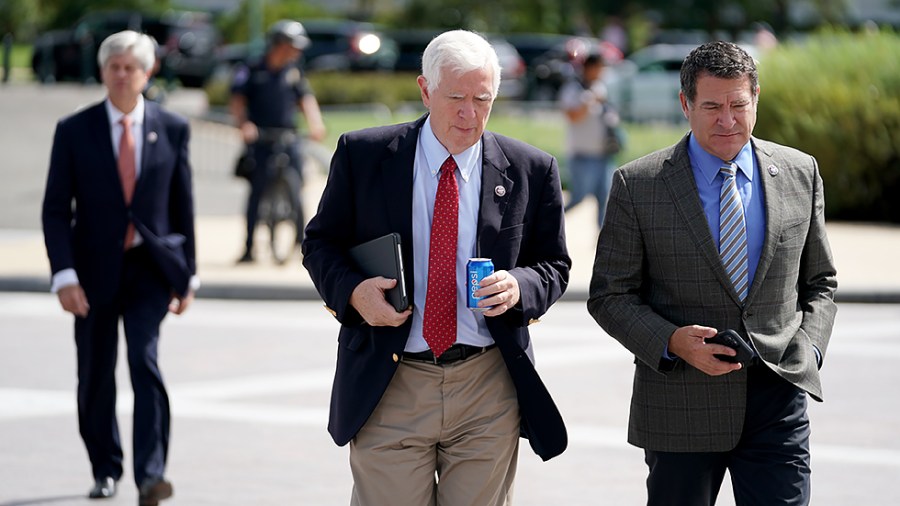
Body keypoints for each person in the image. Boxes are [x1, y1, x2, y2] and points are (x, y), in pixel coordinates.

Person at [302, 30, 571, 505]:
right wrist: (353, 294)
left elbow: (554, 265)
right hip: (393, 380)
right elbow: (321, 243)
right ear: (425, 90)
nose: (470, 114)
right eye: (456, 98)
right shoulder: (364, 155)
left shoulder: (532, 168)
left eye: (483, 99)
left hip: (486, 383)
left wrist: (519, 286)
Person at [587, 41, 837, 505]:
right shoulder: (637, 185)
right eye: (712, 107)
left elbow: (820, 283)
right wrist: (671, 341)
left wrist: (809, 352)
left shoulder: (801, 172)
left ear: (755, 98)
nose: (728, 120)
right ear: (685, 105)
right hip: (680, 404)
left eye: (739, 105)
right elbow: (609, 296)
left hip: (777, 399)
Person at [41, 30, 197, 505]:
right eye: (115, 66)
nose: (123, 75)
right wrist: (64, 275)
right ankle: (105, 468)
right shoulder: (74, 130)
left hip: (150, 268)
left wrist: (187, 273)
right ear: (104, 72)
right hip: (92, 271)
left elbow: (182, 204)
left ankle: (151, 476)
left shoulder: (172, 127)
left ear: (148, 73)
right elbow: (54, 210)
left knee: (143, 362)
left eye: (132, 67)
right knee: (95, 372)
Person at [230, 19, 326, 264]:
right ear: (278, 44)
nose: (297, 51)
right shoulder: (252, 69)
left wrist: (315, 124)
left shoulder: (293, 71)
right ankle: (249, 247)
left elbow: (306, 99)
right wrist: (244, 125)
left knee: (296, 188)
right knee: (257, 192)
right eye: (293, 45)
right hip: (261, 139)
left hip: (288, 136)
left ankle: (301, 244)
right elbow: (238, 101)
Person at [559, 52, 619, 229]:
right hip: (581, 155)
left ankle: (604, 244)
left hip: (604, 154)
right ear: (589, 67)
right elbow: (572, 116)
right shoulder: (573, 89)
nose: (602, 72)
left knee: (605, 201)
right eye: (599, 67)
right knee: (578, 198)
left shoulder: (600, 87)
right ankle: (547, 224)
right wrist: (588, 101)